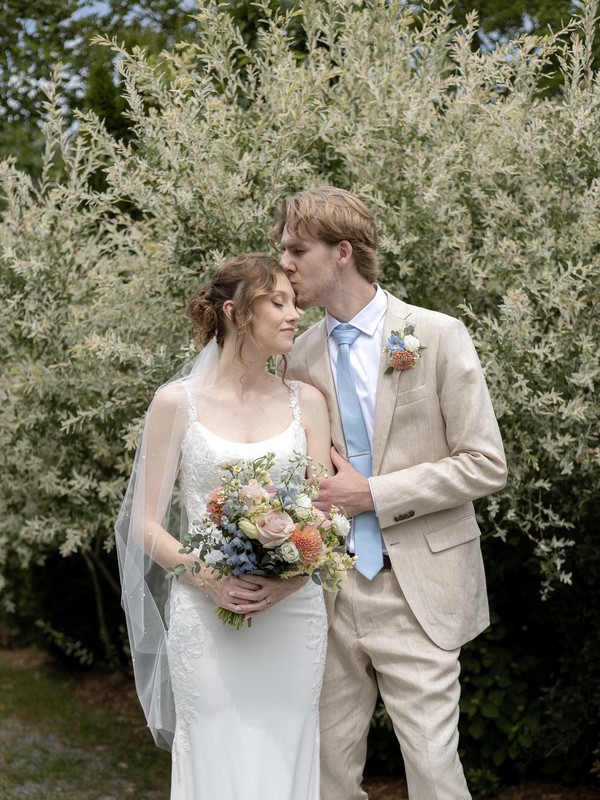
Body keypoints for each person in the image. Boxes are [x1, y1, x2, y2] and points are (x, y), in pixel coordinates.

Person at [269, 187, 508, 800]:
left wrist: (371, 493)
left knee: (432, 773)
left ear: (342, 252)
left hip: (419, 591)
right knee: (324, 774)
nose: (285, 264)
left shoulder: (437, 334)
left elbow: (485, 464)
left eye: (297, 249)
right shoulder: (295, 356)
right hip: (327, 591)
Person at [115, 253, 334, 800]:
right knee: (214, 753)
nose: (293, 315)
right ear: (236, 313)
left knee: (288, 752)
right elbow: (144, 524)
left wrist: (290, 579)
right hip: (207, 615)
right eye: (277, 303)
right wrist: (207, 578)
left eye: (293, 302)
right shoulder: (176, 404)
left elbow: (327, 513)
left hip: (293, 614)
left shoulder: (306, 402)